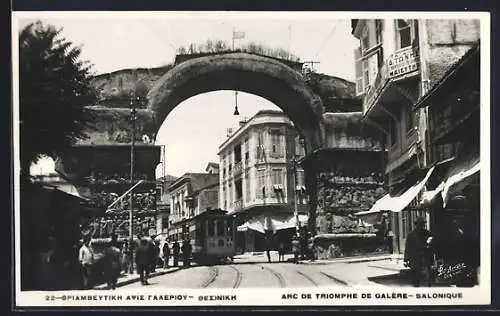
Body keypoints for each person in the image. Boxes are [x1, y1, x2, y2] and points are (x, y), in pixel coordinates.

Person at [404, 216, 434, 287]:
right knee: (415, 276)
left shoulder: (428, 234)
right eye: (419, 224)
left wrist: (429, 247)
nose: (420, 226)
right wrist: (406, 259)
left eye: (422, 224)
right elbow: (408, 248)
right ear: (416, 225)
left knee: (428, 276)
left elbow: (432, 245)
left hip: (425, 257)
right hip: (415, 258)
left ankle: (428, 288)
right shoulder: (411, 235)